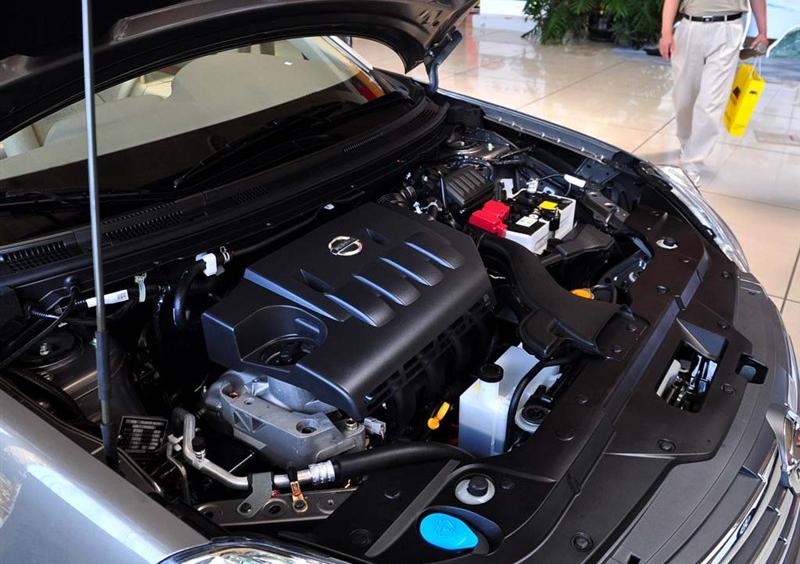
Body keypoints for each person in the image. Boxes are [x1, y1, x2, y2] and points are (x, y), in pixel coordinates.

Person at [659, 0, 768, 185]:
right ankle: (687, 145)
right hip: (689, 27)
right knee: (683, 97)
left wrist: (763, 32)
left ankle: (691, 164)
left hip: (728, 29)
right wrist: (666, 32)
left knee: (711, 101)